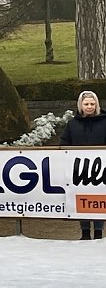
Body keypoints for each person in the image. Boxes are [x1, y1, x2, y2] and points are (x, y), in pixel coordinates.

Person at [59, 90, 106, 240]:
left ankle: (98, 232)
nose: (89, 107)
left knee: (99, 199)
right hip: (79, 169)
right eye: (86, 104)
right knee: (82, 198)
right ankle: (85, 232)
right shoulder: (72, 124)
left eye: (92, 104)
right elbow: (64, 142)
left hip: (101, 169)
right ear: (81, 105)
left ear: (97, 105)